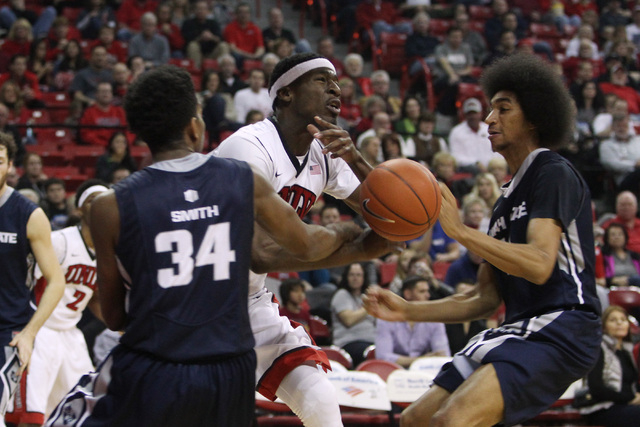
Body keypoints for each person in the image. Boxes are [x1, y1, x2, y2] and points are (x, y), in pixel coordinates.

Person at [47, 65, 363, 427]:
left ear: (137, 134)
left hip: (160, 348)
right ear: (196, 127)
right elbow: (297, 245)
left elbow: (116, 316)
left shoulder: (108, 207)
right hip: (229, 345)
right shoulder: (239, 175)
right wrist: (351, 234)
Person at [364, 53, 602, 426]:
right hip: (519, 328)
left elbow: (540, 264)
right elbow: (484, 298)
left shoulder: (552, 172)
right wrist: (408, 311)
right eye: (491, 109)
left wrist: (460, 232)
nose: (490, 119)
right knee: (413, 420)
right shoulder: (504, 201)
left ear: (535, 117)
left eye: (503, 109)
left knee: (451, 420)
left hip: (564, 324)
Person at [214, 52, 397, 427]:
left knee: (320, 399)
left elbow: (392, 216)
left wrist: (357, 159)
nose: (336, 90)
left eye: (337, 83)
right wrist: (356, 248)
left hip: (248, 300)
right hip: (197, 298)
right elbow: (260, 253)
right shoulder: (249, 146)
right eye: (322, 80)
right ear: (286, 94)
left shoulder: (325, 153)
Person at [6, 180, 108, 426]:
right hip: (41, 331)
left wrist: (120, 326)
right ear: (79, 210)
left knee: (83, 411)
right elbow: (25, 280)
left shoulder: (109, 250)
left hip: (71, 334)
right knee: (32, 416)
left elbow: (94, 296)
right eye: (93, 200)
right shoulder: (61, 240)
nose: (99, 206)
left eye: (104, 201)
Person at [0, 132, 64, 425]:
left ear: (10, 165)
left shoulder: (28, 214)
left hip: (8, 332)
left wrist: (29, 333)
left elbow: (56, 281)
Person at [580, 305, 640, 427]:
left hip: (626, 406)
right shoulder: (599, 349)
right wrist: (630, 398)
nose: (619, 323)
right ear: (604, 327)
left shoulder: (628, 351)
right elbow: (596, 388)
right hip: (601, 408)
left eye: (623, 320)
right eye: (613, 320)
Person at [375, 276, 450, 368]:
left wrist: (423, 361)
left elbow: (442, 355)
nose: (428, 295)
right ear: (408, 294)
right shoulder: (387, 318)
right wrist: (421, 359)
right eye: (422, 291)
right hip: (395, 370)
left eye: (427, 291)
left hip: (425, 369)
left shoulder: (434, 319)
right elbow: (383, 357)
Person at [331, 262, 376, 368]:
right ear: (346, 277)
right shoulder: (341, 294)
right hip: (349, 343)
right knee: (371, 354)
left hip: (371, 341)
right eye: (352, 275)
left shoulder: (365, 297)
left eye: (359, 275)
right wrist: (370, 306)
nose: (355, 278)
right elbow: (349, 320)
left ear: (364, 278)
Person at [78, 81, 127, 146]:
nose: (106, 94)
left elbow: (128, 132)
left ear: (112, 94)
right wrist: (107, 145)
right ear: (96, 94)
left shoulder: (120, 111)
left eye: (108, 91)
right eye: (103, 91)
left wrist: (120, 144)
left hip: (119, 146)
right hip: (97, 147)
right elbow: (85, 134)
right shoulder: (88, 112)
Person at [181, 0, 228, 69]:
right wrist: (200, 38)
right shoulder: (188, 23)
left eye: (203, 9)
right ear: (194, 10)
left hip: (212, 54)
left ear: (208, 11)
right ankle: (196, 70)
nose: (201, 11)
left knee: (223, 46)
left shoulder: (213, 23)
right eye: (198, 9)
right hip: (196, 54)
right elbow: (187, 42)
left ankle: (223, 69)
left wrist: (212, 37)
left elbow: (221, 39)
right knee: (193, 45)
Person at [600, 222, 640, 287]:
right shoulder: (603, 256)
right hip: (614, 286)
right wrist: (614, 280)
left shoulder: (634, 255)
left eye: (620, 234)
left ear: (625, 237)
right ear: (607, 238)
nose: (617, 237)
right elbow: (600, 279)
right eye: (613, 235)